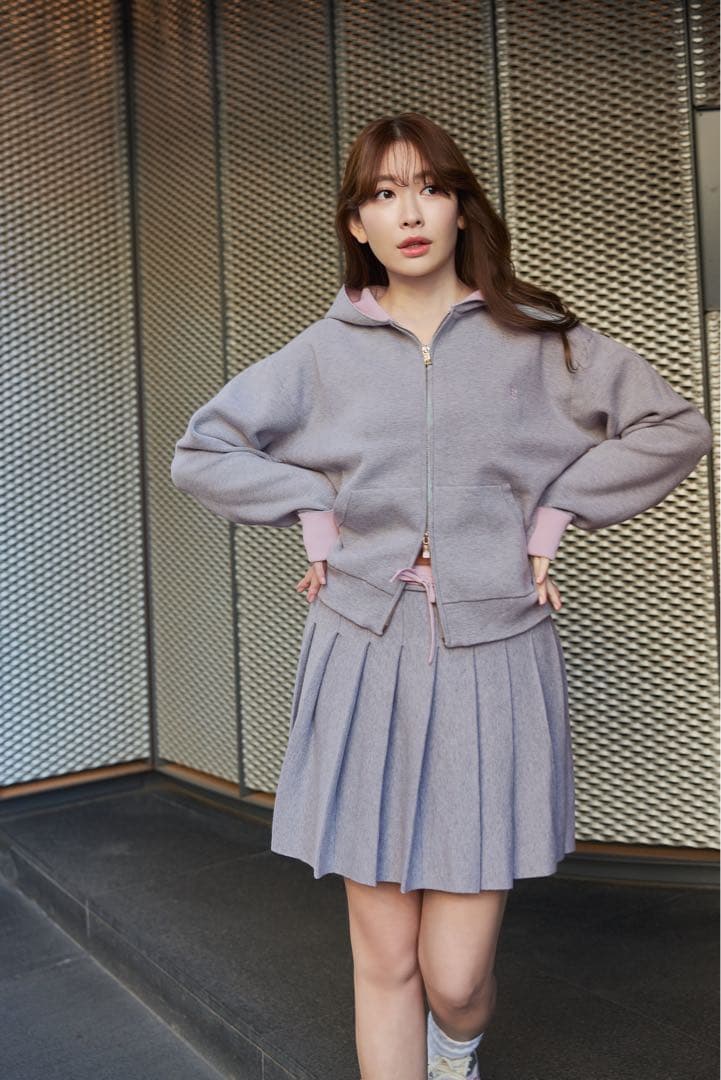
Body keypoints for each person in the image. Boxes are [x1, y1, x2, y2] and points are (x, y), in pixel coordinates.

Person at [170, 113, 713, 1080]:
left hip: (492, 652)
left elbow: (672, 427)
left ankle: (453, 1051)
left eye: (429, 188)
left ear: (462, 207)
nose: (409, 212)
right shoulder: (322, 352)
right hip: (361, 649)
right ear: (357, 224)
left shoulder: (537, 339)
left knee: (453, 978)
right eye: (383, 194)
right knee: (385, 962)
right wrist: (312, 509)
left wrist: (553, 515)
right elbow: (200, 451)